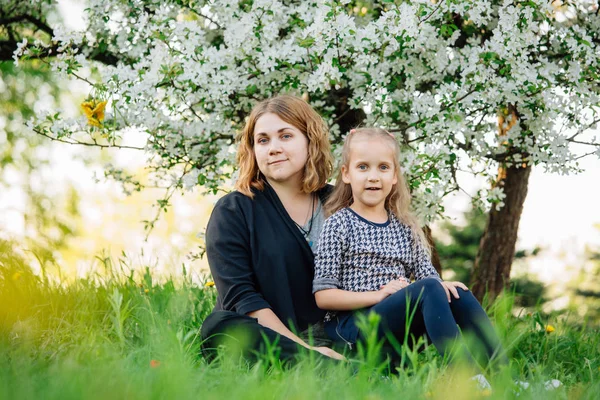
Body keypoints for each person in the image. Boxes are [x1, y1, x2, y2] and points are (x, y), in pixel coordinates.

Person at [313, 128, 506, 381]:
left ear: (394, 176)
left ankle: (505, 379)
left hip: (397, 324)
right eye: (363, 167)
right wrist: (379, 294)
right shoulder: (338, 224)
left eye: (383, 167)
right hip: (355, 327)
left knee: (458, 292)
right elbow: (324, 297)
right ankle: (467, 380)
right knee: (428, 288)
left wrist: (443, 286)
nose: (373, 176)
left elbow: (429, 276)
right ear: (346, 174)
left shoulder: (405, 227)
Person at [200, 95, 345, 364]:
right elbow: (242, 297)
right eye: (263, 140)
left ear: (309, 141)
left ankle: (338, 362)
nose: (273, 148)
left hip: (340, 332)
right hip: (271, 337)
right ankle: (316, 363)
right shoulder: (234, 211)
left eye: (285, 136)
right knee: (219, 328)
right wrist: (306, 350)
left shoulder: (340, 204)